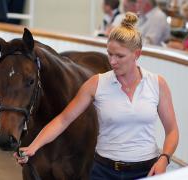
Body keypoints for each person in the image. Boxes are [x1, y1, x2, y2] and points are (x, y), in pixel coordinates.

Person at [15, 12, 179, 179]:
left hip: (147, 170)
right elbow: (63, 120)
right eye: (110, 54)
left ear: (137, 54)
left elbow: (172, 130)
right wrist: (33, 147)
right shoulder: (96, 83)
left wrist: (164, 159)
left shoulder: (157, 84)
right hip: (103, 171)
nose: (112, 61)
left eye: (120, 56)